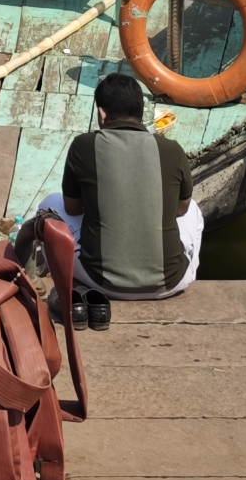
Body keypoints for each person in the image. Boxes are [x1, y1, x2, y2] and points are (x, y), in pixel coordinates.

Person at [42, 73, 199, 324]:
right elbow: (181, 209)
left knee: (49, 202)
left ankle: (59, 274)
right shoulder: (172, 149)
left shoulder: (83, 145)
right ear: (141, 111)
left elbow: (71, 208)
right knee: (195, 210)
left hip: (101, 282)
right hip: (171, 283)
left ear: (102, 114)